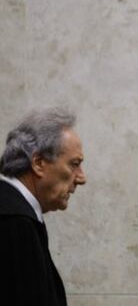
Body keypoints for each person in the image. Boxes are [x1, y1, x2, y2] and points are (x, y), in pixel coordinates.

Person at [0, 108, 86, 305]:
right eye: (74, 164)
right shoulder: (14, 224)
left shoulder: (17, 215)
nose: (82, 178)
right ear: (38, 163)